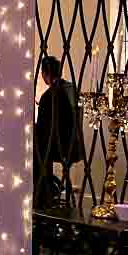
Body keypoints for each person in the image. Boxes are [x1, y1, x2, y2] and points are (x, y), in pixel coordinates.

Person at [34, 55, 85, 208]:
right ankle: (50, 185)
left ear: (44, 74)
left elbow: (43, 128)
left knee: (35, 148)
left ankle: (42, 192)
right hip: (75, 145)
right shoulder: (72, 89)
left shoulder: (48, 96)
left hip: (59, 146)